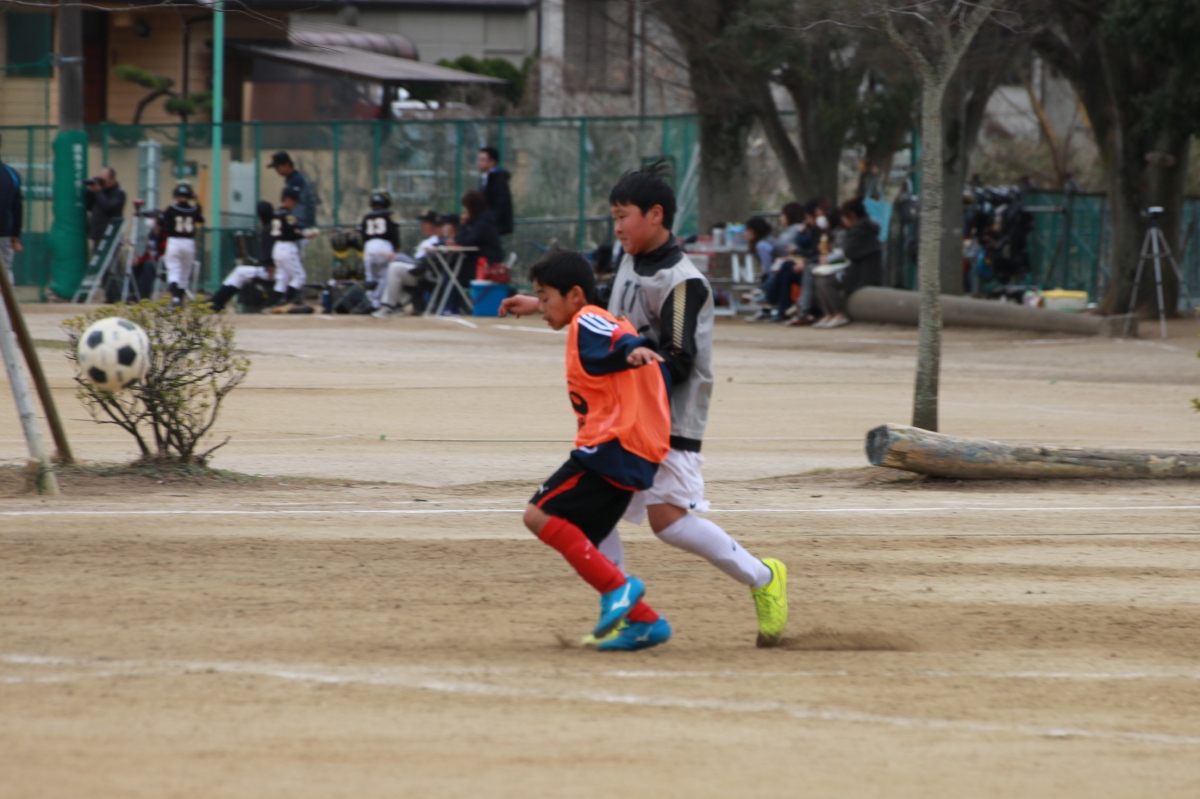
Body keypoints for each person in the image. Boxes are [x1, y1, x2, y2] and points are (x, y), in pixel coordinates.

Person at [505, 162, 789, 648]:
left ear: (655, 215)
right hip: (628, 422)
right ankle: (629, 612)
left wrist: (630, 355)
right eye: (614, 217)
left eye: (623, 216)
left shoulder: (683, 281)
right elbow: (606, 308)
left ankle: (764, 577)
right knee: (593, 513)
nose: (616, 227)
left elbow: (678, 360)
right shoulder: (631, 261)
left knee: (668, 523)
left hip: (669, 420)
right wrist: (544, 303)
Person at [515, 249, 674, 651]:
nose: (542, 306)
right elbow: (602, 324)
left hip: (611, 447)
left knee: (537, 514)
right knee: (582, 536)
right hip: (635, 453)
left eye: (545, 297)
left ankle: (619, 590)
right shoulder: (592, 314)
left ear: (574, 295)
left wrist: (632, 347)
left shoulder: (588, 319)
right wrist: (536, 303)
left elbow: (614, 336)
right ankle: (645, 622)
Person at [813, 197, 882, 329]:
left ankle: (838, 313)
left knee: (825, 281)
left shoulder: (861, 231)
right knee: (821, 280)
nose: (843, 220)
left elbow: (849, 252)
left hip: (862, 274)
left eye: (844, 217)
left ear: (852, 216)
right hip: (855, 270)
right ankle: (830, 313)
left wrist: (830, 258)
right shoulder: (861, 229)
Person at [372, 211, 444, 319]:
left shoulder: (437, 240)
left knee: (396, 262)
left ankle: (385, 303)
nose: (422, 226)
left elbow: (430, 261)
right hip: (417, 268)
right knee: (394, 267)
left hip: (426, 272)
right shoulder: (426, 241)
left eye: (425, 223)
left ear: (434, 225)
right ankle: (402, 301)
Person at [210, 201, 277, 313]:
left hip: (273, 272)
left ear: (260, 216)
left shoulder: (268, 230)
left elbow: (270, 256)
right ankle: (217, 300)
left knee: (240, 272)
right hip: (278, 270)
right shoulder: (272, 227)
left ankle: (217, 301)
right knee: (241, 271)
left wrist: (271, 268)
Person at [159, 183, 205, 307]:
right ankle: (180, 300)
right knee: (185, 274)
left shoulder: (171, 208)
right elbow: (200, 219)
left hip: (174, 241)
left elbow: (162, 220)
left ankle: (175, 299)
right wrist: (197, 202)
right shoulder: (193, 210)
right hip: (189, 243)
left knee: (174, 272)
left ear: (176, 195)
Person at [270, 186, 318, 305]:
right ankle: (286, 302)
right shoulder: (289, 215)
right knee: (300, 277)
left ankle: (273, 303)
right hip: (287, 248)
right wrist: (305, 235)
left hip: (277, 248)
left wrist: (298, 232)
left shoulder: (276, 214)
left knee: (282, 279)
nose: (295, 204)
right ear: (288, 199)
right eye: (294, 201)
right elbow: (293, 233)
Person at [359, 190, 401, 310]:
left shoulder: (366, 216)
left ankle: (371, 302)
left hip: (369, 247)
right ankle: (379, 300)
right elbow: (394, 233)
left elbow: (363, 235)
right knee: (385, 275)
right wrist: (397, 248)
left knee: (370, 277)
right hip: (384, 246)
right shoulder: (389, 215)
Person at [266, 151, 316, 242]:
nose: (276, 169)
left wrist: (297, 227)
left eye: (278, 166)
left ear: (287, 164)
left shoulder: (296, 180)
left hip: (300, 226)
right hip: (297, 226)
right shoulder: (292, 179)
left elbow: (289, 205)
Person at [0, 133, 23, 281]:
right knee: (5, 271)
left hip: (4, 233)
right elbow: (17, 208)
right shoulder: (11, 174)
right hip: (4, 232)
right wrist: (15, 236)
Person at [84, 166, 126, 247]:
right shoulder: (101, 192)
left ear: (113, 179)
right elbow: (88, 206)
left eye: (104, 179)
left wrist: (99, 192)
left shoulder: (119, 192)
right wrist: (91, 191)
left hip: (111, 235)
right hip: (98, 234)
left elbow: (109, 207)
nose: (102, 182)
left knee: (110, 255)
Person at [477, 146, 513, 236]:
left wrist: (488, 220)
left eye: (483, 160)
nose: (479, 162)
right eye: (479, 159)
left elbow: (501, 204)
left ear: (493, 162)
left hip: (496, 228)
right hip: (487, 226)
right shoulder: (485, 179)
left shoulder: (498, 180)